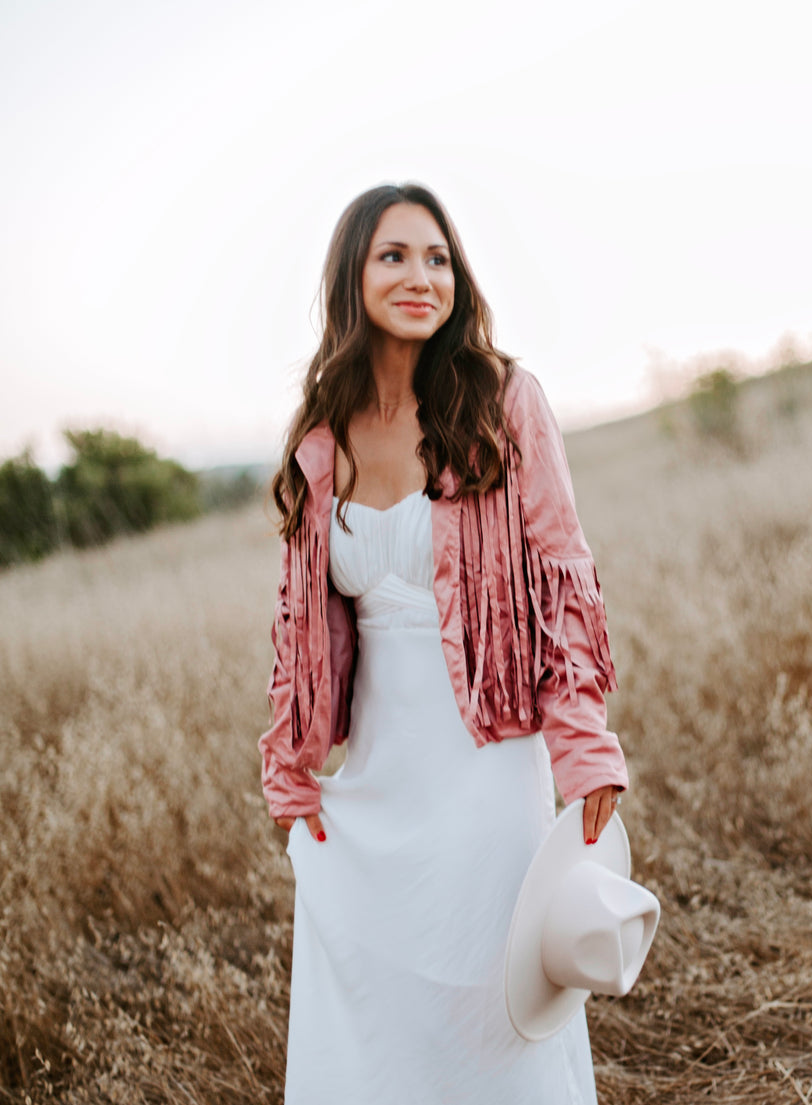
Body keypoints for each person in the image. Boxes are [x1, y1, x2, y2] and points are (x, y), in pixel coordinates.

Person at [259, 182, 628, 1104]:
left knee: (492, 1009)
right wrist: (291, 761)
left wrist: (584, 750)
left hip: (489, 762)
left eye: (438, 258)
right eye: (395, 256)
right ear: (353, 275)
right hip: (377, 779)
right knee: (382, 1019)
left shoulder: (504, 402)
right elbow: (300, 623)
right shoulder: (321, 440)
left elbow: (565, 579)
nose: (422, 277)